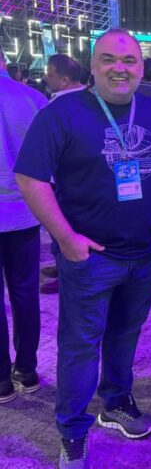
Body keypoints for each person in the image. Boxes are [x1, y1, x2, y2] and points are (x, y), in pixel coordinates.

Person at [15, 29, 151, 469]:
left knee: (125, 335)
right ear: (92, 65)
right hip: (90, 258)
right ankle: (72, 431)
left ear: (140, 67)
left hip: (144, 253)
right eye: (108, 59)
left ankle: (116, 402)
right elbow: (30, 177)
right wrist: (65, 238)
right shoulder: (62, 113)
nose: (119, 68)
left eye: (128, 61)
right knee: (80, 346)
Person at [0, 45, 48, 404]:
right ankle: (27, 369)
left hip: (20, 213)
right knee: (25, 292)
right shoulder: (33, 98)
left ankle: (1, 379)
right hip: (24, 212)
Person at [39, 54, 87, 294]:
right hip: (68, 179)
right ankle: (61, 269)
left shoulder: (62, 107)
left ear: (64, 79)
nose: (45, 79)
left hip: (65, 181)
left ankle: (66, 275)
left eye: (49, 75)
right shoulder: (82, 101)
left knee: (64, 229)